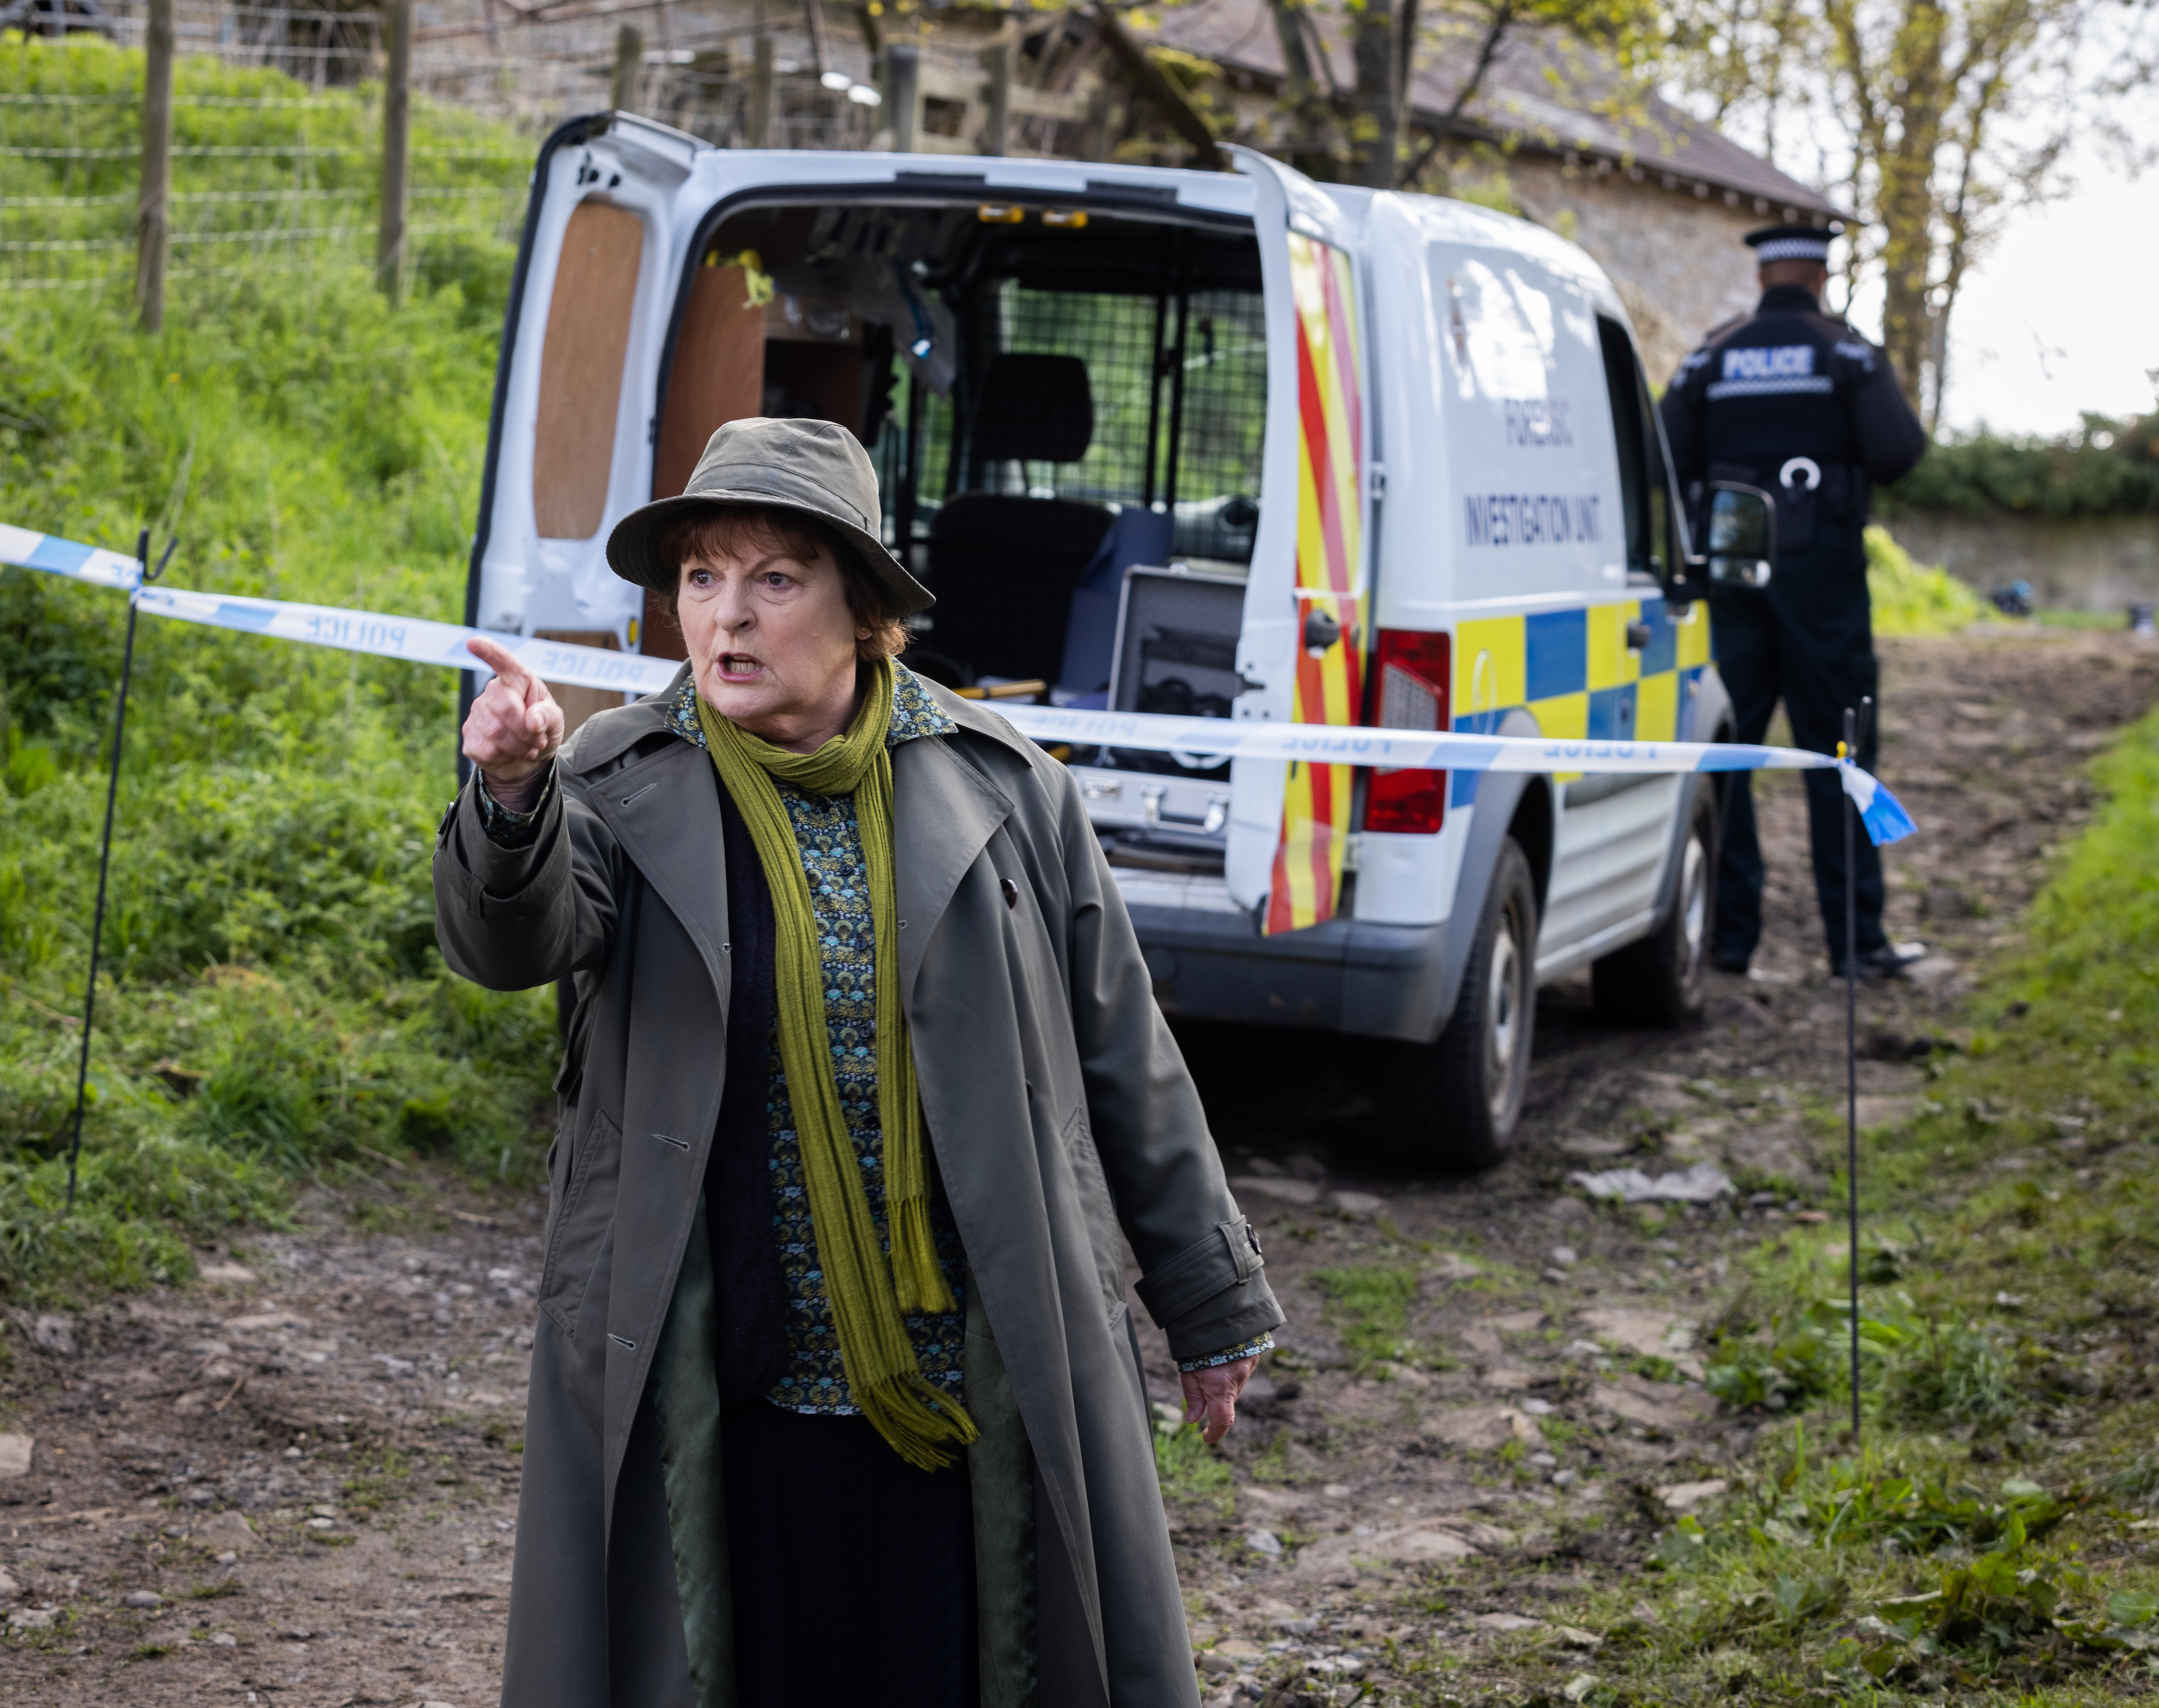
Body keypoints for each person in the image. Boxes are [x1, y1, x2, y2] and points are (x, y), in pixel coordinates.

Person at [434, 415, 1283, 1708]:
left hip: (960, 1386)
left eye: (774, 579)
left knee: (959, 1663)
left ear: (864, 605)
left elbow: (1126, 1051)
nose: (727, 617)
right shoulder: (616, 780)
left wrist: (1206, 1300)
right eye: (702, 579)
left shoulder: (1007, 791)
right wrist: (509, 800)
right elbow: (514, 938)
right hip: (722, 1385)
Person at [1659, 224, 1930, 979]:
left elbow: (1662, 453)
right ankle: (1857, 944)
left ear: (1762, 274)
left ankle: (1726, 939)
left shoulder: (1711, 357)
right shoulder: (1844, 353)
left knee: (1729, 751)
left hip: (1733, 580)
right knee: (1842, 752)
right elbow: (1900, 453)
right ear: (1820, 274)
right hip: (1823, 585)